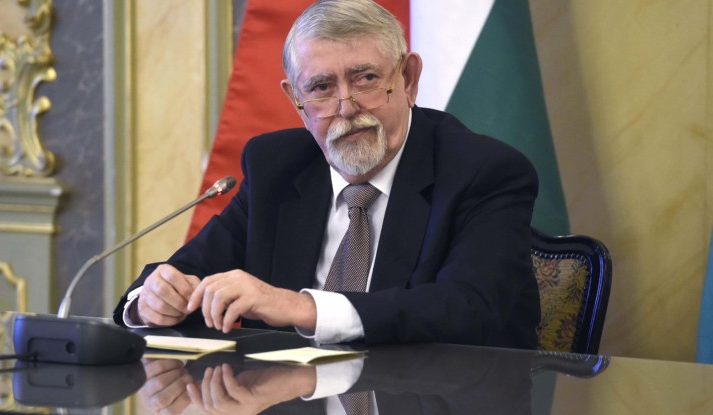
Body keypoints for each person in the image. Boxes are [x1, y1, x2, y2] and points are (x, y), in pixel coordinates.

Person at [113, 0, 541, 350]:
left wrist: (303, 308)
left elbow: (470, 309)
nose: (345, 107)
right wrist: (152, 301)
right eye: (321, 88)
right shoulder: (276, 167)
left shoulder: (483, 172)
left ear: (408, 79)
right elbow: (187, 274)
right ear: (295, 100)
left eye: (366, 79)